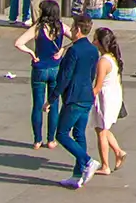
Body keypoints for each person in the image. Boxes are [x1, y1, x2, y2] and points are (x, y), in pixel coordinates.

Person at [14, 0, 67, 150]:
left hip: (39, 68)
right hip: (55, 68)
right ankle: (51, 140)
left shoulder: (37, 28)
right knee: (53, 103)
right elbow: (78, 38)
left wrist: (31, 53)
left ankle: (37, 140)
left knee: (37, 105)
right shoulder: (61, 27)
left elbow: (18, 43)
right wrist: (62, 49)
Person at [56, 15, 101, 187]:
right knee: (79, 133)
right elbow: (92, 74)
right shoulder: (93, 50)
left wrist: (52, 98)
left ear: (79, 30)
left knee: (61, 134)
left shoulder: (73, 51)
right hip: (86, 96)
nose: (71, 30)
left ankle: (87, 161)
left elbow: (65, 76)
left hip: (74, 97)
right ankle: (77, 174)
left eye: (73, 27)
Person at [93, 26, 126, 173]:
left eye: (95, 39)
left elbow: (98, 86)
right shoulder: (112, 57)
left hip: (105, 98)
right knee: (102, 129)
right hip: (114, 94)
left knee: (101, 131)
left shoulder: (103, 61)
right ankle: (118, 152)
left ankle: (105, 165)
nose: (93, 42)